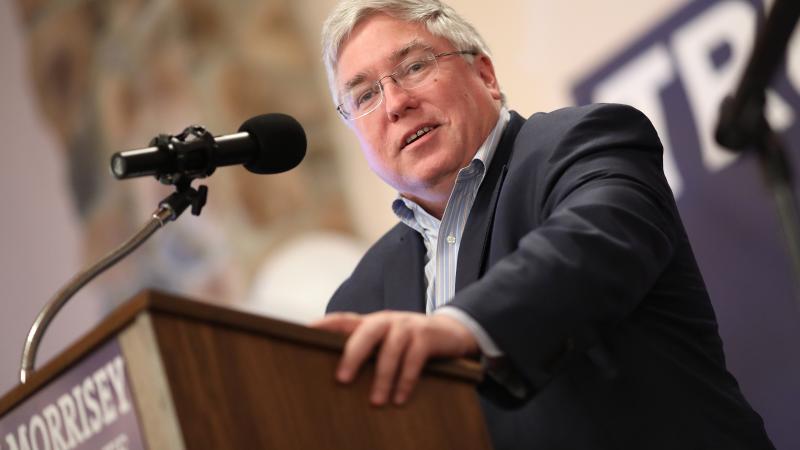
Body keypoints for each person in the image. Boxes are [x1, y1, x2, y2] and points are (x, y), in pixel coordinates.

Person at [312, 1, 775, 448]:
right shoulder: (360, 299)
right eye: (365, 95)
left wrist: (462, 327)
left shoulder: (587, 142)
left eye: (414, 67)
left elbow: (592, 245)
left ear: (485, 75)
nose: (395, 103)